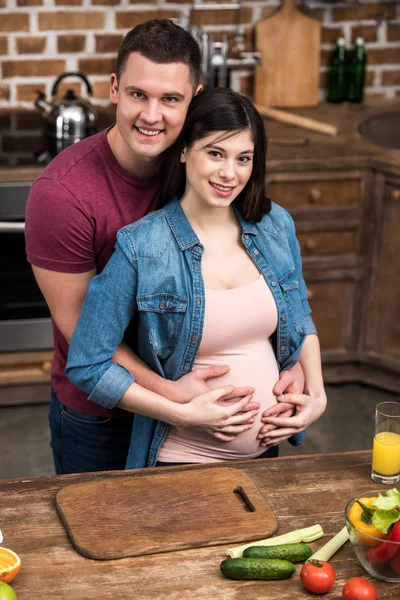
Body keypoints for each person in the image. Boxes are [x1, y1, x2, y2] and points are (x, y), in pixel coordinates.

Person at [25, 19, 303, 475]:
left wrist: (299, 374)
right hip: (105, 418)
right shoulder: (63, 194)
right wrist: (174, 396)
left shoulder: (206, 172)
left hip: (214, 421)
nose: (151, 115)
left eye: (169, 99)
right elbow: (84, 335)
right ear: (114, 88)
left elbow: (271, 285)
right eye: (138, 94)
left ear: (194, 99)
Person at [65, 87, 327, 470]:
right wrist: (180, 412)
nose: (229, 173)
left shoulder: (274, 226)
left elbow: (299, 314)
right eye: (215, 153)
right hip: (181, 460)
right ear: (185, 150)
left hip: (269, 455)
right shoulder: (143, 246)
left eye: (244, 158)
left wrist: (316, 394)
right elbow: (88, 364)